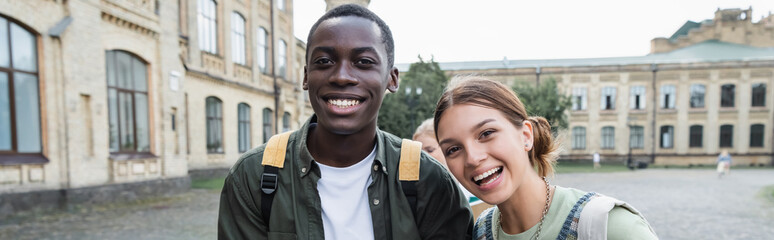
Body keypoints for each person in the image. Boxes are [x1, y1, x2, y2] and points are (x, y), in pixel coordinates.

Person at [217, 4, 472, 240]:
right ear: (306, 77)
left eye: (363, 62)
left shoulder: (428, 179)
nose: (341, 77)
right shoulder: (254, 176)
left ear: (392, 79)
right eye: (324, 61)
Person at [433, 76, 657, 240]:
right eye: (453, 149)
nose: (472, 158)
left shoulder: (610, 226)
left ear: (526, 135)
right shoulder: (481, 232)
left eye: (486, 133)